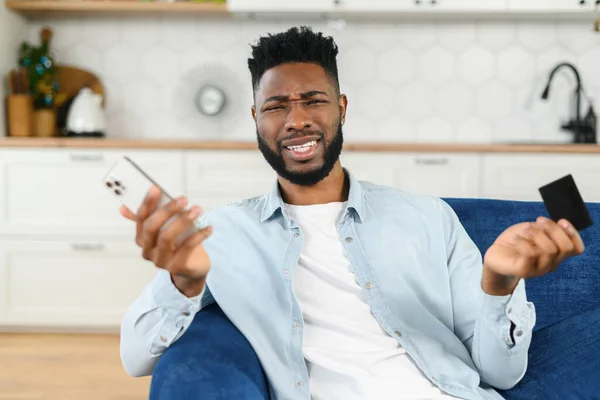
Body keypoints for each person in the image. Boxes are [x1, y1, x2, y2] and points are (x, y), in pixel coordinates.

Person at [119, 26, 585, 400]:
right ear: (256, 120)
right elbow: (135, 358)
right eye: (276, 106)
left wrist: (498, 286)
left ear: (341, 109)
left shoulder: (428, 218)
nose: (296, 119)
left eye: (313, 101)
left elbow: (499, 375)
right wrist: (182, 282)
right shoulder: (218, 235)